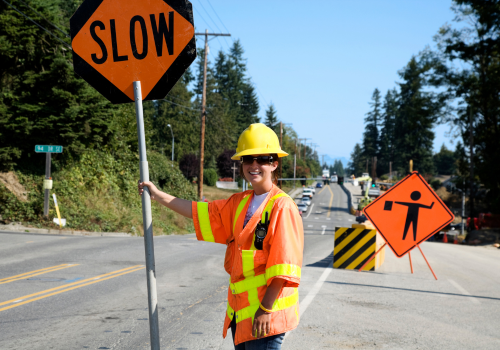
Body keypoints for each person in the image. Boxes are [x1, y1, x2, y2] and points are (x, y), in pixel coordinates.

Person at [138, 123, 304, 349]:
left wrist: (265, 309)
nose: (254, 165)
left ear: (274, 163)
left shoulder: (282, 207)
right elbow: (199, 212)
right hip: (241, 316)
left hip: (266, 319)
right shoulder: (239, 203)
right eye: (248, 159)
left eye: (262, 158)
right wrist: (158, 196)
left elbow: (284, 268)